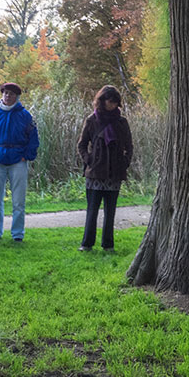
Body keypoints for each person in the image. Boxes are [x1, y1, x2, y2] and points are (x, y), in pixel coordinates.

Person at [0, 82, 39, 242]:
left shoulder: (25, 115)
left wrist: (27, 156)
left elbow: (33, 138)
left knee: (19, 201)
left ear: (17, 97)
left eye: (11, 94)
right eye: (5, 93)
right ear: (2, 94)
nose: (7, 96)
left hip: (18, 160)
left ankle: (18, 234)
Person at [76, 85, 132, 252]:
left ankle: (108, 245)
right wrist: (89, 160)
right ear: (102, 101)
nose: (112, 105)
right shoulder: (92, 120)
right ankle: (87, 244)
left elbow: (129, 146)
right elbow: (82, 145)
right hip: (95, 173)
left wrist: (124, 162)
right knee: (92, 211)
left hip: (115, 172)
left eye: (115, 102)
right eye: (110, 101)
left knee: (110, 212)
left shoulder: (122, 122)